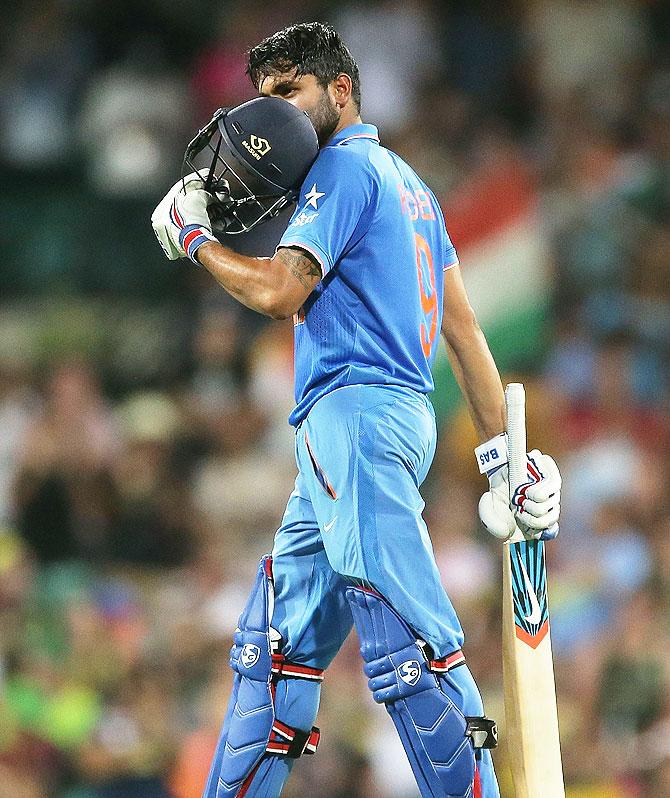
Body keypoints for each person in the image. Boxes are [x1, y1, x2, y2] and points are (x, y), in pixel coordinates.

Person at [151, 22, 561, 798]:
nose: (274, 115)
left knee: (409, 644)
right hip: (349, 431)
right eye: (264, 97)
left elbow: (278, 293)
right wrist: (503, 458)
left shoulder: (341, 169)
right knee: (272, 652)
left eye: (290, 93)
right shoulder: (411, 184)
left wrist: (194, 239)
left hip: (360, 418)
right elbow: (465, 336)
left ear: (341, 91)